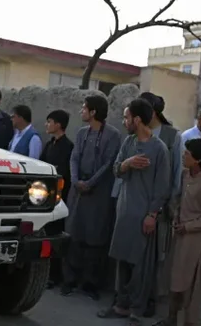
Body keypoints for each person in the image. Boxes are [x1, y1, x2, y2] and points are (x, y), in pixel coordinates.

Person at [98, 98, 171, 326]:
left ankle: (136, 311)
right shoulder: (128, 142)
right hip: (125, 210)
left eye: (127, 117)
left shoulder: (158, 148)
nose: (124, 121)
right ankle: (120, 304)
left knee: (141, 263)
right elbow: (116, 169)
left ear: (137, 119)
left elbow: (163, 186)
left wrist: (152, 215)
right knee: (122, 260)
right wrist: (127, 163)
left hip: (144, 215)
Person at [153, 139, 201, 326]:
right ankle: (171, 318)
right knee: (175, 280)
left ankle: (186, 322)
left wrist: (190, 226)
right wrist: (176, 216)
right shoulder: (184, 176)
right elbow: (179, 202)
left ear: (198, 159)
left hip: (194, 240)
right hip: (179, 236)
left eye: (187, 154)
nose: (184, 156)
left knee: (189, 285)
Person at [63, 95, 122, 300]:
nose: (82, 111)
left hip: (98, 193)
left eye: (85, 107)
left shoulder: (112, 135)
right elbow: (74, 157)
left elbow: (108, 164)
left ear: (94, 112)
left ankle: (90, 283)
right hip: (78, 191)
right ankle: (69, 280)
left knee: (95, 239)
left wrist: (90, 183)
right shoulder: (81, 133)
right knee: (74, 235)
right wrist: (76, 179)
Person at [138, 92, 183, 315]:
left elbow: (176, 175)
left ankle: (151, 298)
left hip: (161, 208)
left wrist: (169, 206)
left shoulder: (172, 136)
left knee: (157, 256)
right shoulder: (137, 134)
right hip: (137, 204)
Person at [40, 109, 75, 289]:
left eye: (50, 121)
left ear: (59, 125)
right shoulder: (49, 144)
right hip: (43, 199)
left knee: (55, 237)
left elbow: (64, 173)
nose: (47, 125)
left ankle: (56, 276)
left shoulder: (68, 147)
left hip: (58, 199)